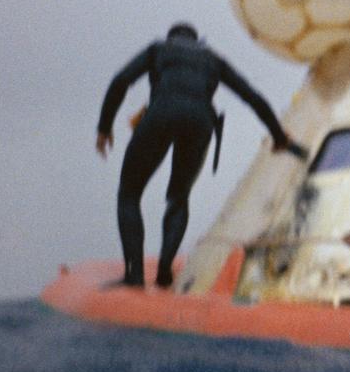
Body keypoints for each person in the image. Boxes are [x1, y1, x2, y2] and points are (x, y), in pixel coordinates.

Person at [96, 23, 304, 288]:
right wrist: (279, 137)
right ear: (198, 41)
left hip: (160, 113)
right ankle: (164, 271)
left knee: (129, 194)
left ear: (171, 38)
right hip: (200, 121)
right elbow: (252, 97)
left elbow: (120, 81)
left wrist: (104, 128)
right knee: (178, 197)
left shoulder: (158, 49)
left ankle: (134, 275)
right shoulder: (212, 59)